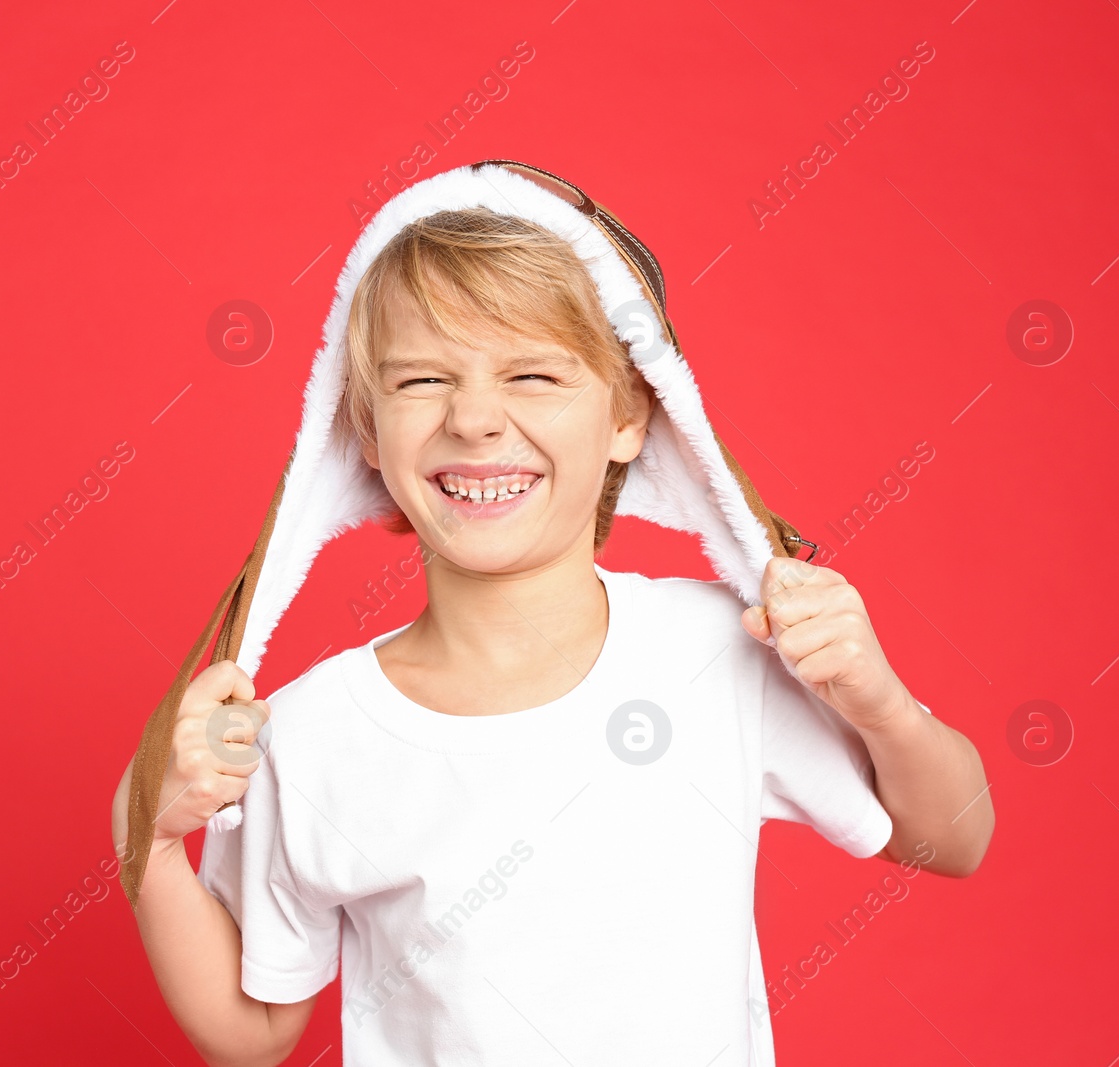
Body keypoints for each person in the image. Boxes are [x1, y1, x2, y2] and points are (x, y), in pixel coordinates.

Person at [110, 162, 993, 1066]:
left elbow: (954, 838)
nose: (476, 418)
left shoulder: (715, 652)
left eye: (533, 373)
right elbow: (253, 1034)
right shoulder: (308, 733)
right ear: (366, 433)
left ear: (629, 416)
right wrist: (146, 833)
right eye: (421, 381)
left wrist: (877, 700)